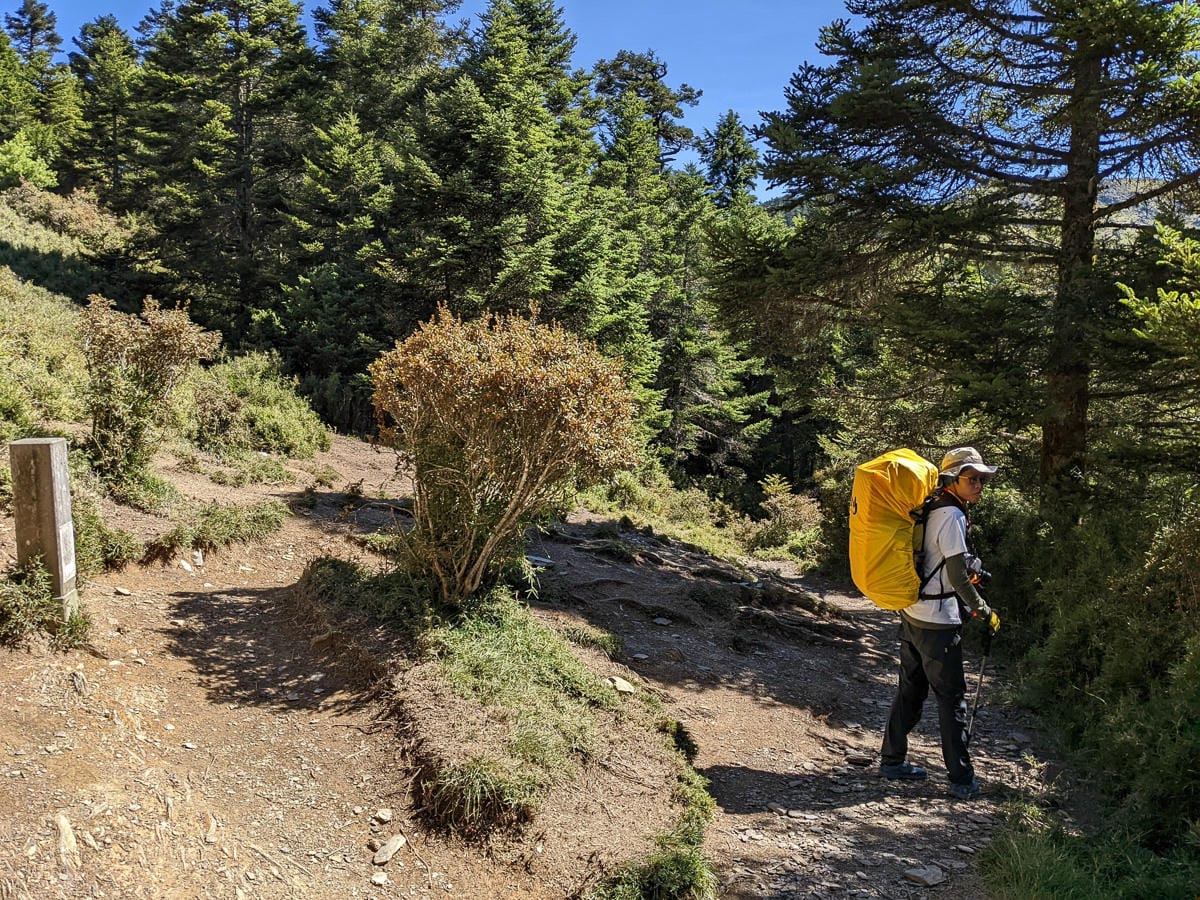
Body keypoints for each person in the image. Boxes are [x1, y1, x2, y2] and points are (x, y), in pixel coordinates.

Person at [878, 446, 1001, 800]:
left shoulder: (933, 506)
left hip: (914, 610)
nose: (979, 485)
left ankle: (892, 760)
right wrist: (981, 609)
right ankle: (961, 779)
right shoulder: (952, 515)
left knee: (911, 688)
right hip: (938, 621)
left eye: (982, 479)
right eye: (972, 478)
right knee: (951, 699)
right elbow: (957, 575)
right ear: (953, 479)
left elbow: (944, 560)